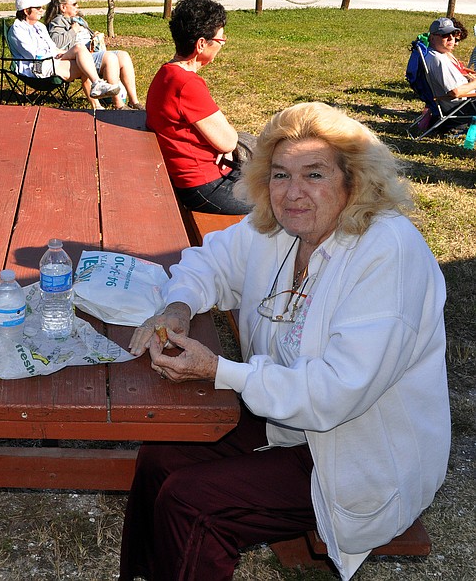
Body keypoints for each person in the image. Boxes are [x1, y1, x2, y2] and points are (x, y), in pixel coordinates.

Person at [120, 102, 450, 581]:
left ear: (353, 181)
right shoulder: (278, 228)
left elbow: (336, 395)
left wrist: (220, 371)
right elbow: (208, 262)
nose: (293, 193)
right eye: (279, 175)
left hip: (359, 455)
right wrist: (179, 307)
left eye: (314, 174)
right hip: (290, 424)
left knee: (195, 503)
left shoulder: (387, 252)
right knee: (160, 457)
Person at [145, 0, 251, 215]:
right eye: (221, 40)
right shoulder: (187, 84)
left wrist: (224, 146)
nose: (222, 45)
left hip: (196, 180)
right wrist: (224, 146)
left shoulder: (166, 73)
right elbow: (228, 140)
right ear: (202, 44)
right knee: (281, 201)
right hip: (205, 187)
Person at [9, 0, 121, 102]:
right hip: (37, 67)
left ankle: (97, 86)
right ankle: (98, 89)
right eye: (38, 8)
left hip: (51, 60)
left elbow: (52, 47)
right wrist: (57, 55)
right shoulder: (17, 30)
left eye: (42, 8)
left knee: (80, 49)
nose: (42, 10)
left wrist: (62, 53)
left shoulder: (40, 26)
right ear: (25, 11)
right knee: (85, 65)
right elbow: (33, 55)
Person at [43, 0, 144, 110]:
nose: (78, 6)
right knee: (110, 57)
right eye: (74, 4)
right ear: (63, 8)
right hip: (79, 57)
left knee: (123, 56)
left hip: (91, 51)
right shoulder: (58, 21)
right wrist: (73, 31)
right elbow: (56, 43)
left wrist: (94, 38)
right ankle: (119, 104)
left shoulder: (78, 20)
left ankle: (134, 101)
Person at [425, 17, 476, 115]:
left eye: (453, 34)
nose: (451, 38)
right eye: (445, 35)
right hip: (461, 106)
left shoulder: (437, 54)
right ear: (432, 37)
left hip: (464, 101)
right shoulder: (438, 59)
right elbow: (455, 92)